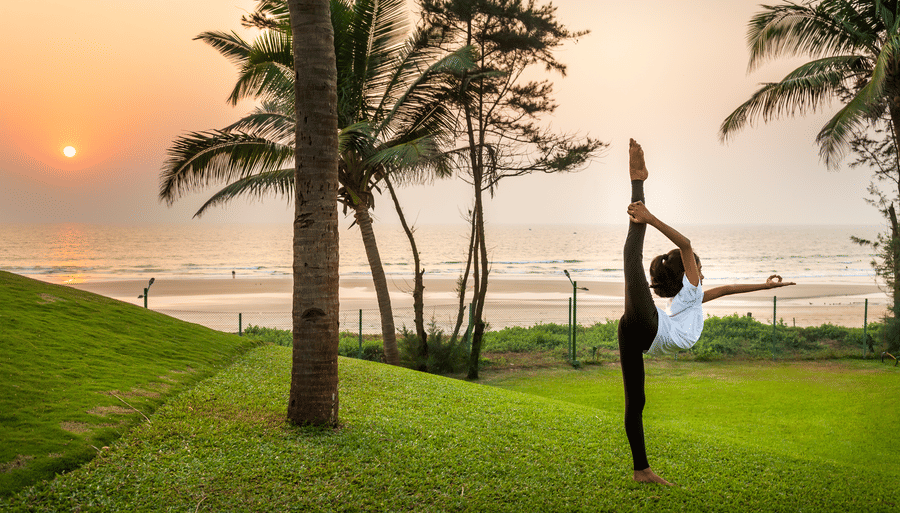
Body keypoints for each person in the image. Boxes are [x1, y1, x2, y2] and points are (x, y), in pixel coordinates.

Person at [619, 138, 795, 485]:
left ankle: (642, 470)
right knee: (630, 261)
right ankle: (637, 181)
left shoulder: (690, 297)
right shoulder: (693, 284)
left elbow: (728, 289)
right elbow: (685, 245)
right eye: (695, 265)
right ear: (689, 270)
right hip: (651, 330)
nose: (698, 266)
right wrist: (650, 218)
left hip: (643, 335)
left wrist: (766, 286)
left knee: (636, 400)